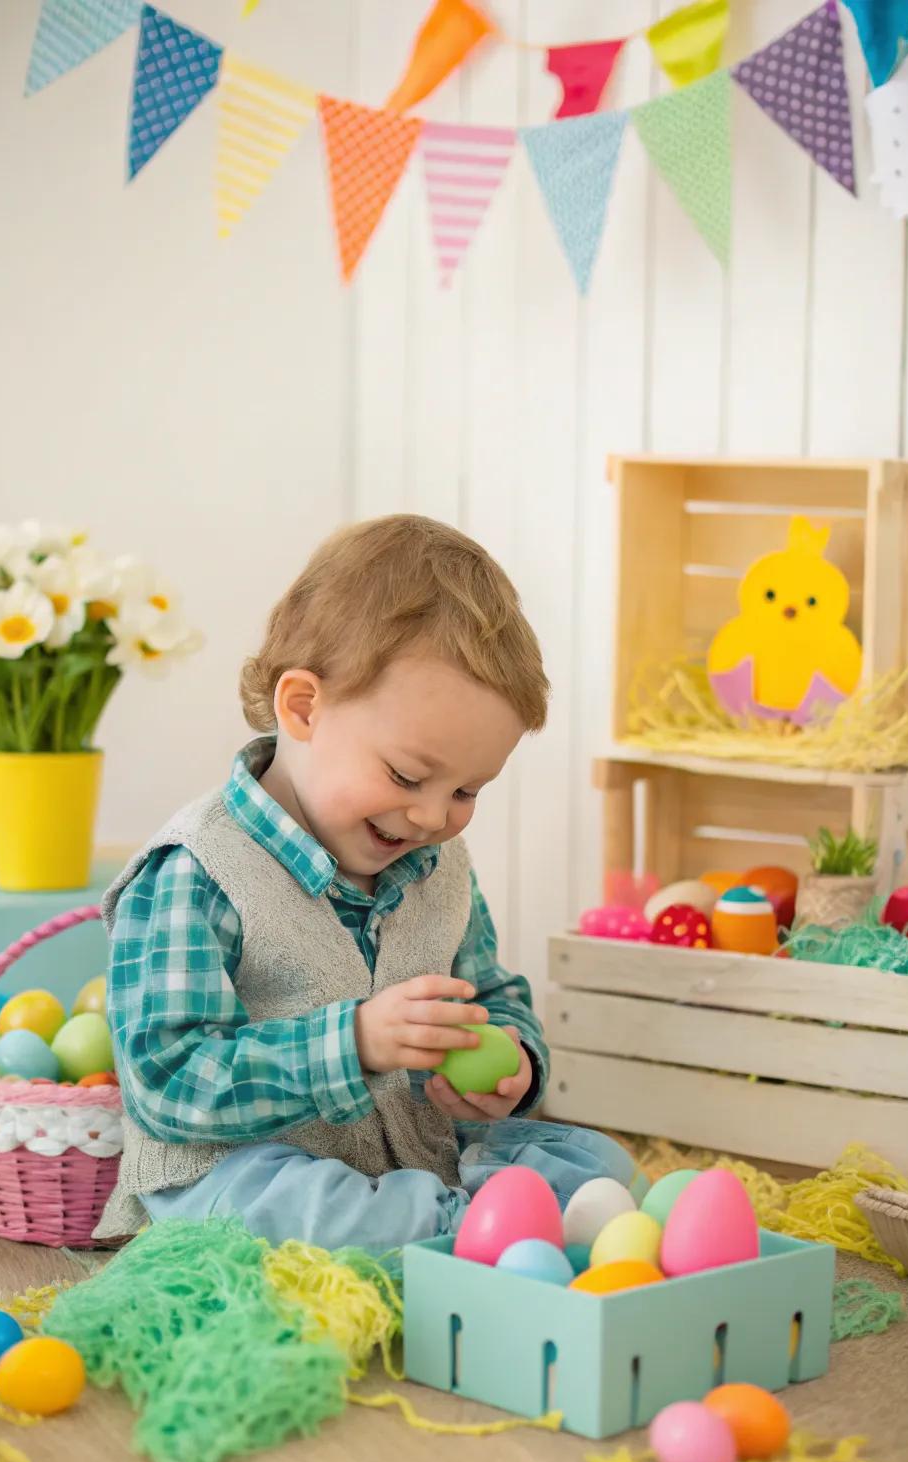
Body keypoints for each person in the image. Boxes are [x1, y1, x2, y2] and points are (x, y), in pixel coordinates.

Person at [94, 516, 645, 1246]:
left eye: (467, 791)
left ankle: (476, 1220)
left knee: (601, 1161)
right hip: (247, 1169)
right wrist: (351, 1042)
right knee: (291, 1206)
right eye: (409, 776)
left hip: (406, 1150)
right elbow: (168, 1083)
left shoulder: (439, 866)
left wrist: (509, 1062)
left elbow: (489, 994)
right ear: (303, 708)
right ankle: (474, 1229)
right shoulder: (194, 871)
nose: (430, 816)